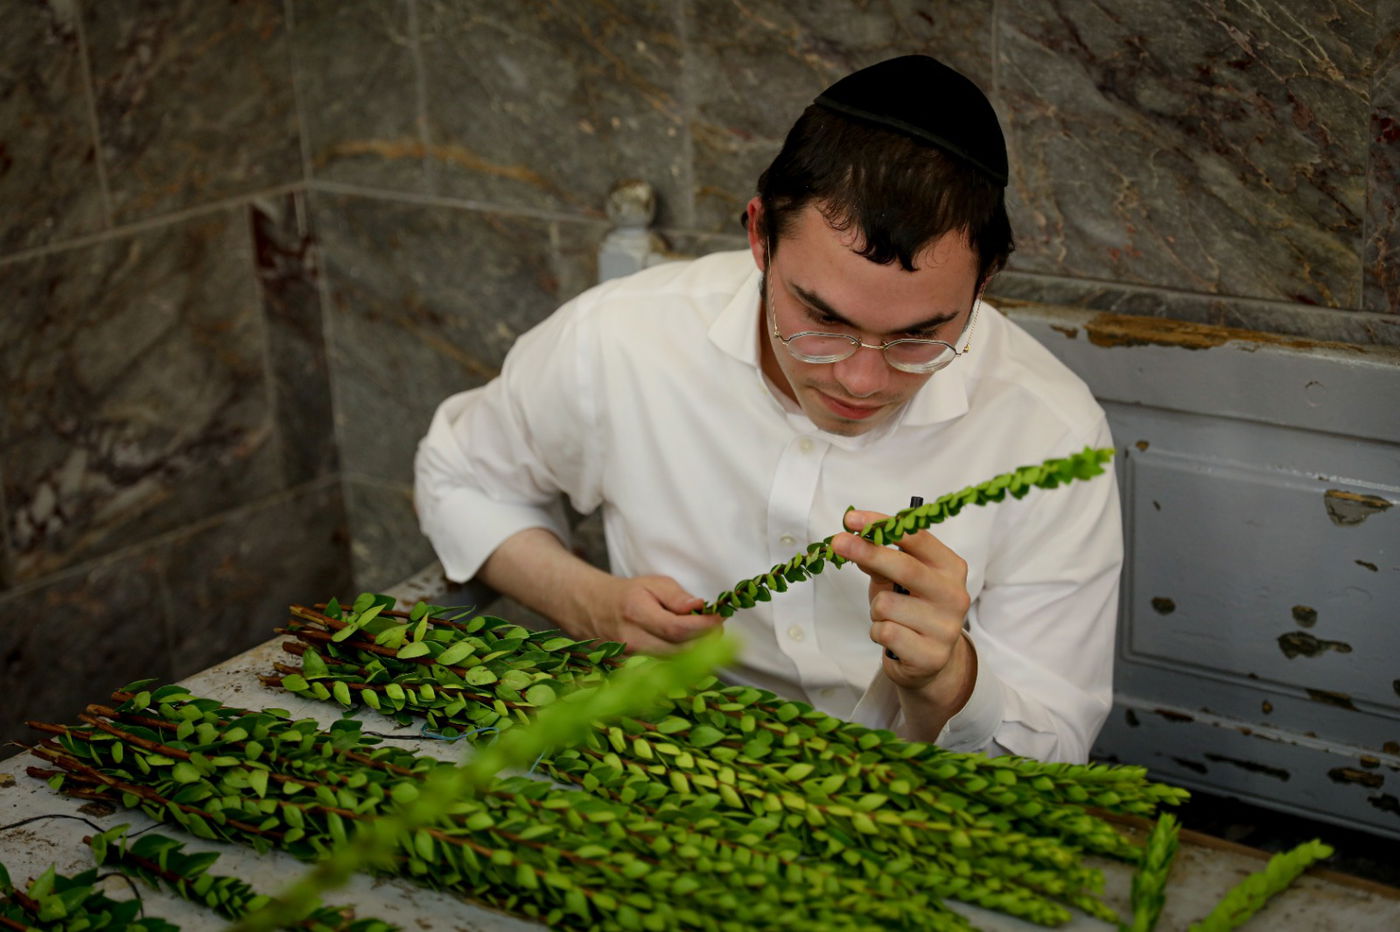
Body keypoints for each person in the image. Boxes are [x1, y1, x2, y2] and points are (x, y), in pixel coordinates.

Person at [415, 55, 1122, 763]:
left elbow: (1052, 751)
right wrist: (585, 601)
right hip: (657, 760)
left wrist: (950, 682)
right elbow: (458, 476)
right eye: (821, 318)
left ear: (984, 283)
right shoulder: (620, 338)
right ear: (759, 236)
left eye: (919, 337)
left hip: (914, 803)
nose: (860, 378)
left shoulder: (1053, 435)